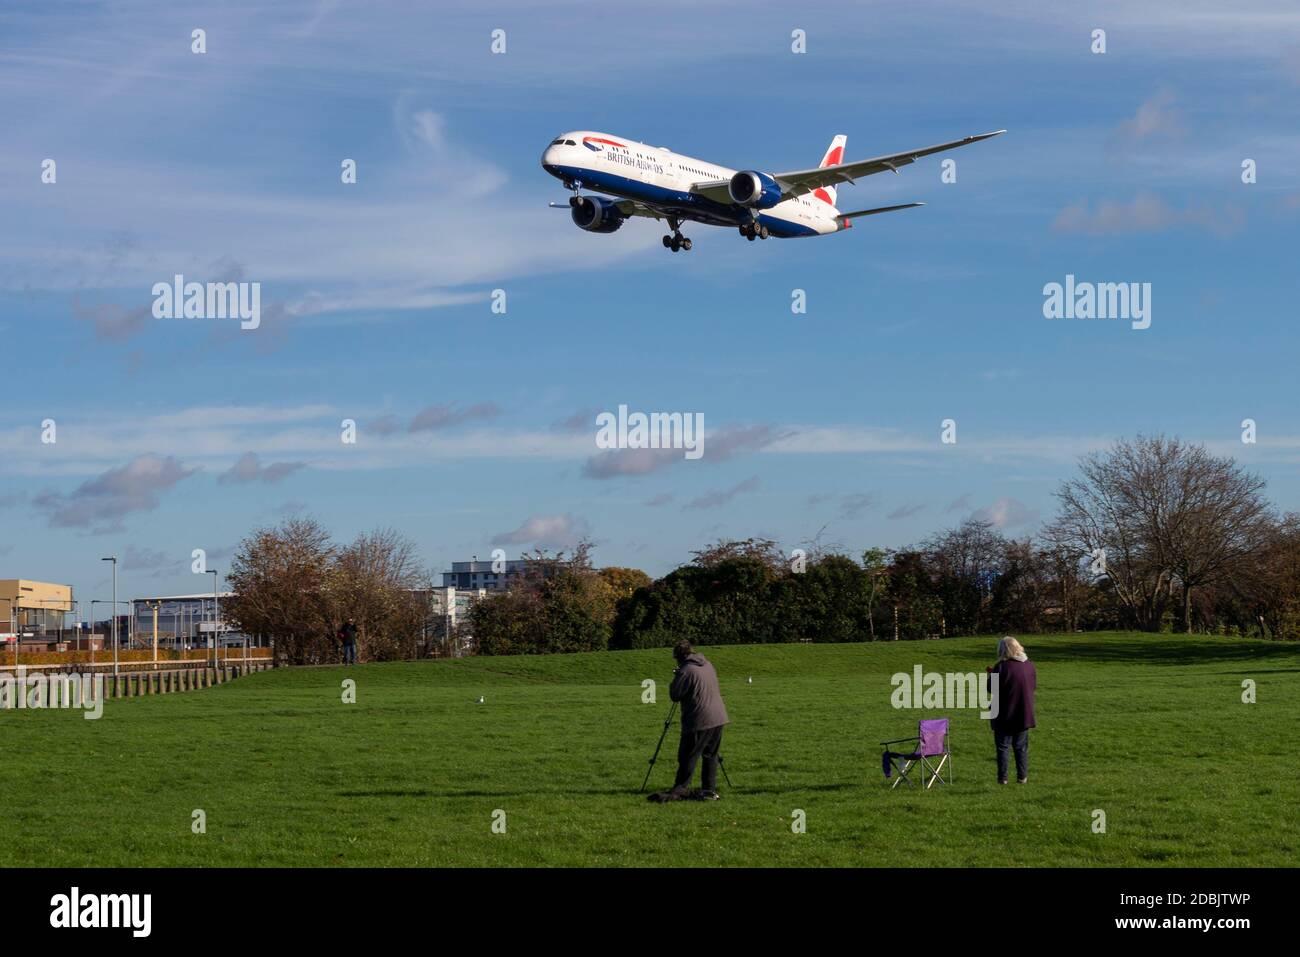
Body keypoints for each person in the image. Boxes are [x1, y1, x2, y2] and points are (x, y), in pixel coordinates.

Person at [650, 640, 730, 802]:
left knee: (687, 755)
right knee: (710, 755)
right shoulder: (707, 664)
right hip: (719, 716)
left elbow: (675, 694)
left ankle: (680, 788)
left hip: (699, 719)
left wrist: (677, 675)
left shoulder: (686, 670)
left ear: (679, 657)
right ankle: (709, 789)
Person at [987, 636, 1036, 784]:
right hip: (1023, 712)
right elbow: (1032, 686)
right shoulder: (1029, 666)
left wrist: (990, 675)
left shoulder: (1002, 666)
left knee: (1003, 747)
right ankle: (1022, 777)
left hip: (1004, 713)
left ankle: (1003, 778)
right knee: (1021, 747)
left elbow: (990, 688)